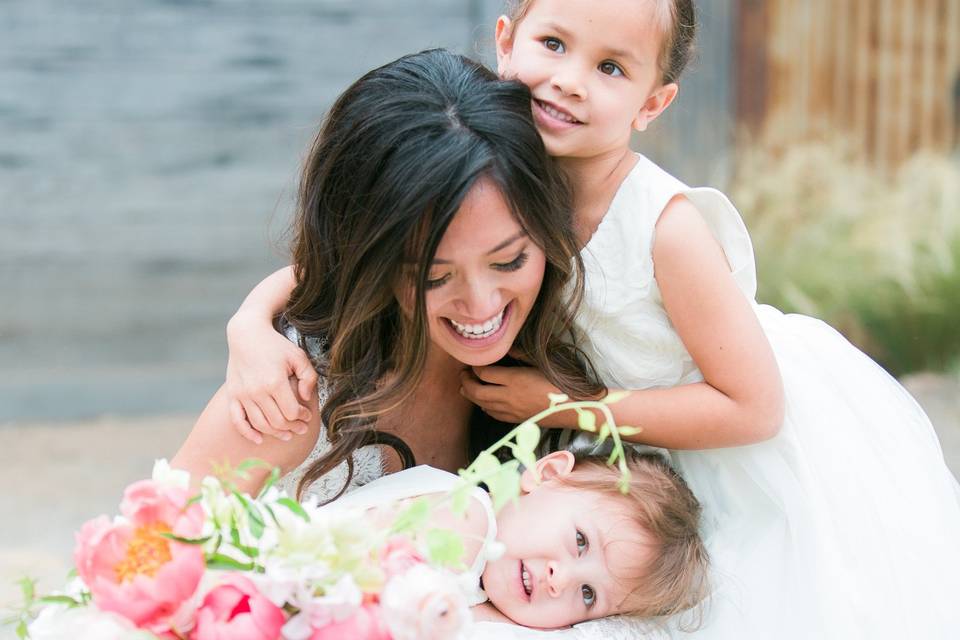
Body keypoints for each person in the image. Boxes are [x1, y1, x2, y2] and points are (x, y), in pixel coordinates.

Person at [223, 1, 960, 637]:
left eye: (612, 68)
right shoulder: (511, 163)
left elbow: (755, 406)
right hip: (626, 454)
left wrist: (561, 406)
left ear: (652, 103)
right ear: (506, 39)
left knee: (780, 601)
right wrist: (252, 323)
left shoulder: (663, 227)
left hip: (730, 449)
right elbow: (382, 250)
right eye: (554, 45)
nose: (571, 80)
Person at [172, 48, 603, 502]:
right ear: (370, 261)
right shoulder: (289, 399)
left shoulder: (572, 340)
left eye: (509, 261)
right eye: (435, 277)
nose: (481, 305)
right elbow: (147, 553)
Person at [328, 449, 708, 631]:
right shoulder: (465, 519)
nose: (561, 581)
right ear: (547, 474)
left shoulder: (486, 583)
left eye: (588, 594)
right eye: (580, 542)